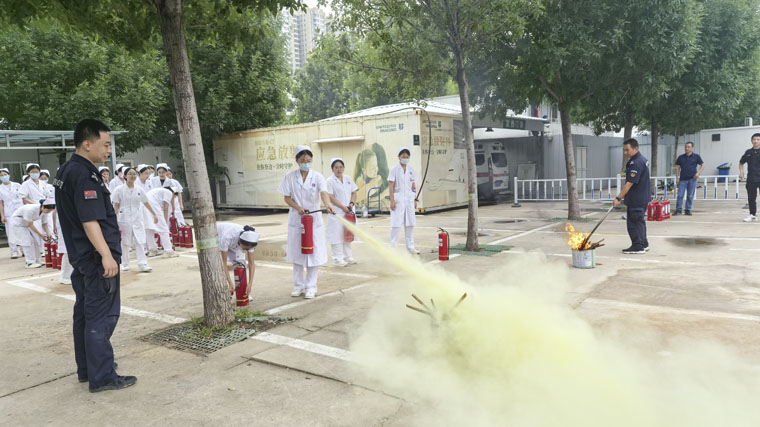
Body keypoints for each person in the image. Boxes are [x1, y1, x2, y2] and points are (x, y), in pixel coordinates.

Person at [55, 118, 135, 392]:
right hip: (94, 258)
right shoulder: (84, 175)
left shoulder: (67, 170)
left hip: (81, 256)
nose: (109, 150)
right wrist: (106, 255)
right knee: (101, 316)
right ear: (87, 144)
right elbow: (90, 221)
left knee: (85, 314)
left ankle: (88, 369)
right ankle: (103, 376)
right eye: (106, 144)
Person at [278, 145, 334, 299]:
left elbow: (324, 193)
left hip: (313, 221)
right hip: (297, 220)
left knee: (313, 254)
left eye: (309, 160)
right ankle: (298, 286)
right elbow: (286, 197)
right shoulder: (290, 177)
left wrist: (328, 205)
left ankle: (311, 287)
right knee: (297, 254)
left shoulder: (318, 176)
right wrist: (298, 207)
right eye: (303, 160)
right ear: (297, 161)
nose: (306, 163)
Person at [111, 167, 159, 272]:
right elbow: (116, 205)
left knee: (140, 240)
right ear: (125, 176)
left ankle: (143, 264)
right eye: (130, 174)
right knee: (125, 242)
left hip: (137, 218)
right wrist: (113, 220)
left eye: (134, 174)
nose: (132, 176)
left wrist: (154, 214)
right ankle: (125, 263)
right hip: (124, 219)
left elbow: (146, 202)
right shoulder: (119, 190)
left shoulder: (139, 189)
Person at [613, 139, 651, 254]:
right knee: (639, 222)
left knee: (633, 223)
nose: (625, 153)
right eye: (624, 150)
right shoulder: (641, 159)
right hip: (642, 197)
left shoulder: (636, 163)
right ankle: (643, 244)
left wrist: (618, 198)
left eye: (627, 150)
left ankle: (637, 246)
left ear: (636, 148)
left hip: (636, 198)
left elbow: (629, 183)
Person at [326, 158, 358, 266]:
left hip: (348, 211)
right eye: (336, 167)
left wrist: (351, 203)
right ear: (332, 169)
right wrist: (342, 207)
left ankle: (348, 256)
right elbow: (330, 197)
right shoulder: (329, 181)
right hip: (337, 212)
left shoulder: (348, 179)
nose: (339, 169)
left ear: (344, 168)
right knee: (337, 236)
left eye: (340, 167)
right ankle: (337, 259)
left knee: (348, 234)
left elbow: (354, 192)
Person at [388, 147, 420, 254]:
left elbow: (413, 185)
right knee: (396, 224)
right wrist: (392, 201)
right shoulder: (394, 169)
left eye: (407, 157)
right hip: (398, 200)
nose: (405, 158)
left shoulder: (411, 170)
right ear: (399, 157)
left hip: (409, 200)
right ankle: (392, 248)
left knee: (410, 224)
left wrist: (414, 199)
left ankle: (410, 247)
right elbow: (391, 186)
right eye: (403, 157)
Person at [9, 200, 55, 268]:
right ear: (43, 206)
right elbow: (30, 224)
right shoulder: (30, 209)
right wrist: (41, 235)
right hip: (18, 224)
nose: (49, 212)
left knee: (35, 241)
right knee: (27, 241)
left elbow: (44, 223)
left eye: (50, 211)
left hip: (26, 224)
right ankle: (29, 263)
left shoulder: (44, 212)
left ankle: (37, 261)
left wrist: (48, 233)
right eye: (48, 210)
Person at [217, 222, 258, 296]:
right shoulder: (227, 237)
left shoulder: (251, 240)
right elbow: (223, 263)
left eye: (248, 249)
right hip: (217, 237)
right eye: (245, 249)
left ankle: (242, 292)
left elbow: (251, 263)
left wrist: (250, 284)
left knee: (241, 266)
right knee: (217, 266)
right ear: (239, 241)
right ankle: (225, 291)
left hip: (234, 243)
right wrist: (230, 283)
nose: (246, 251)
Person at [146, 186, 180, 258]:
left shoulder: (157, 192)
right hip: (152, 205)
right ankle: (168, 251)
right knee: (163, 229)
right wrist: (165, 222)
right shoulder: (169, 192)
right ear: (173, 193)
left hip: (144, 205)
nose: (172, 198)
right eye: (174, 197)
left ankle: (152, 250)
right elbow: (166, 208)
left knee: (149, 228)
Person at [674, 142, 704, 216]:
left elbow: (702, 165)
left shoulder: (696, 156)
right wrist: (677, 178)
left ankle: (688, 209)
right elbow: (677, 168)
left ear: (692, 148)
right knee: (680, 195)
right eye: (685, 147)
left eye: (688, 147)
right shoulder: (681, 157)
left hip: (692, 179)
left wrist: (698, 173)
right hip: (682, 179)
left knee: (690, 195)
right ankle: (678, 210)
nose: (686, 148)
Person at [0, 168, 24, 259]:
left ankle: (24, 250)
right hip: (9, 213)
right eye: (1, 176)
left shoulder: (17, 185)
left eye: (5, 175)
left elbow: (23, 198)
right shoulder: (0, 188)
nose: (4, 177)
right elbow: (1, 204)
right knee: (11, 233)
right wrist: (2, 215)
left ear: (9, 175)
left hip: (20, 211)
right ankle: (13, 252)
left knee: (22, 231)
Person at [739, 133, 760, 222]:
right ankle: (752, 215)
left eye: (758, 139)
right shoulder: (748, 152)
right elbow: (741, 163)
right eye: (754, 139)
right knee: (751, 198)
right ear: (751, 141)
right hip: (751, 178)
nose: (756, 141)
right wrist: (741, 172)